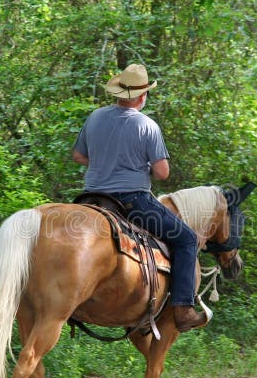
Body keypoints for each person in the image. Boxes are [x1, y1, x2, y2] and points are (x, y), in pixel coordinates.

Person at [72, 63, 207, 333]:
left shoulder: (95, 117)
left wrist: (104, 162)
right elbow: (162, 172)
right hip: (132, 202)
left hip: (91, 198)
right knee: (187, 239)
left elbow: (78, 156)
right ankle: (183, 309)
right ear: (142, 96)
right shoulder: (147, 125)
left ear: (118, 92)